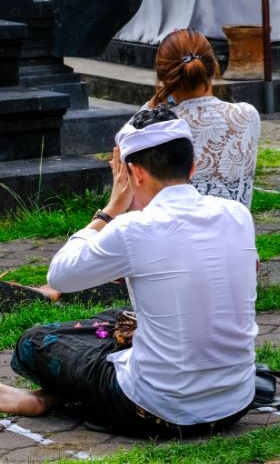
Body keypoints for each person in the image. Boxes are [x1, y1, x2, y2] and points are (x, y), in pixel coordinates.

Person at [0, 108, 258, 437]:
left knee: (36, 342)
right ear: (192, 166)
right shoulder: (236, 214)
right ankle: (75, 391)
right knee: (117, 320)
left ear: (134, 173)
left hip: (155, 410)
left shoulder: (133, 228)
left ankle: (43, 400)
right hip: (235, 403)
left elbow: (60, 277)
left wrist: (109, 210)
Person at [150, 28, 260, 207]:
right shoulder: (247, 116)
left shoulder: (157, 125)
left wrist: (157, 101)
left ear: (164, 76)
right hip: (236, 232)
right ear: (214, 66)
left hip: (175, 234)